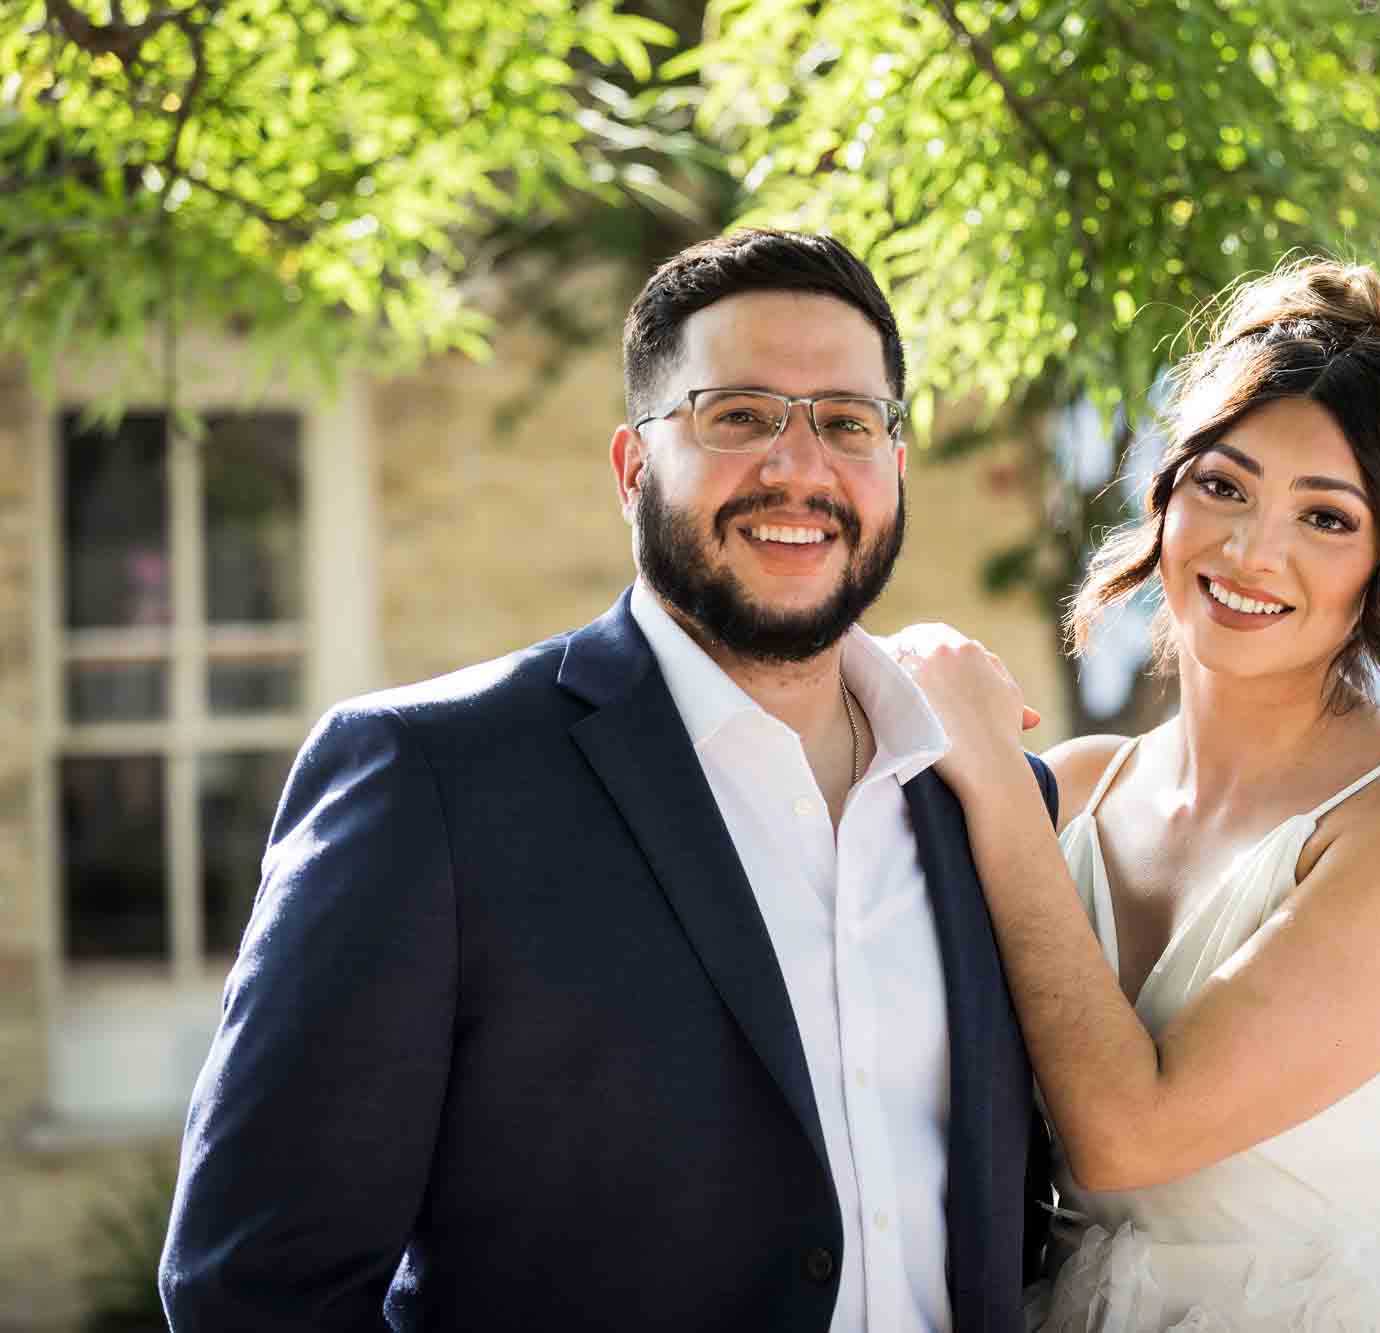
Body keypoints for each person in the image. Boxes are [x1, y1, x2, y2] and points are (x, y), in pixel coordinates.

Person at [159, 229, 1056, 1332]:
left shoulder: (990, 800)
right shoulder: (430, 781)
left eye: (845, 422)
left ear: (894, 466)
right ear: (634, 470)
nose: (798, 466)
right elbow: (255, 1287)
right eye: (737, 415)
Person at [895, 259, 1380, 1330]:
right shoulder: (1079, 786)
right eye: (1221, 486)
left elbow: (1131, 1133)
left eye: (1324, 518)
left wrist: (995, 785)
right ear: (1164, 491)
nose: (1249, 550)